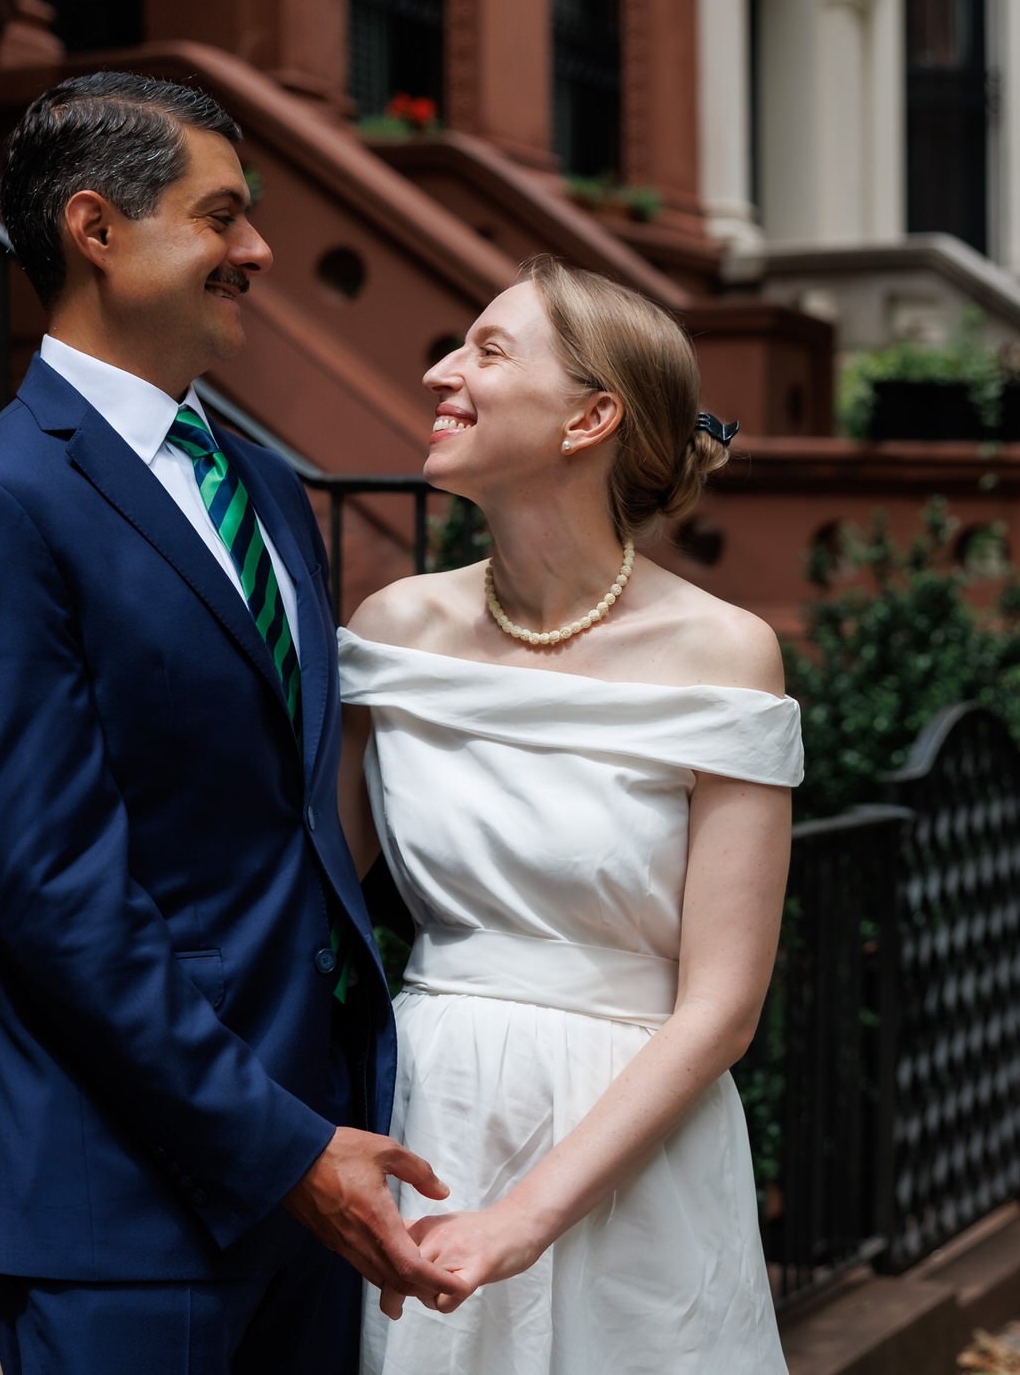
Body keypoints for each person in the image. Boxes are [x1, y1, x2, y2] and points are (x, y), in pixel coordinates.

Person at [0, 71, 465, 1375]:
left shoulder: (263, 481)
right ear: (96, 228)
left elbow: (285, 816)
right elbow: (55, 895)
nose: (257, 250)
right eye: (222, 216)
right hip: (127, 1200)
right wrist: (281, 1144)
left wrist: (326, 1130)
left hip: (319, 1163)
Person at [342, 257, 799, 1373]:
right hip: (430, 1110)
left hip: (633, 1140)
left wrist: (524, 1216)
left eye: (488, 350)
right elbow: (284, 869)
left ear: (590, 416)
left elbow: (723, 1005)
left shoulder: (723, 652)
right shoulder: (396, 625)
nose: (443, 370)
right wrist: (83, 866)